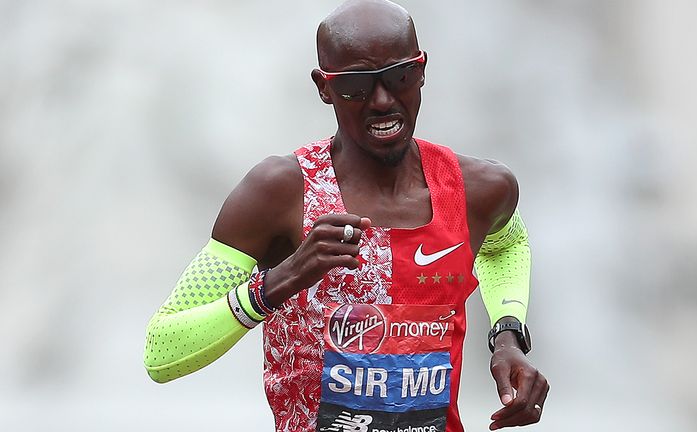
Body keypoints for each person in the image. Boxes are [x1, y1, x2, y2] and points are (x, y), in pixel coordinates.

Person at [143, 0, 549, 430]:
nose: (382, 100)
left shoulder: (480, 189)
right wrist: (285, 277)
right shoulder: (280, 191)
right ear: (323, 86)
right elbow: (161, 351)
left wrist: (507, 334)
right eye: (356, 86)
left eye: (400, 76)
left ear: (422, 69)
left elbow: (506, 246)